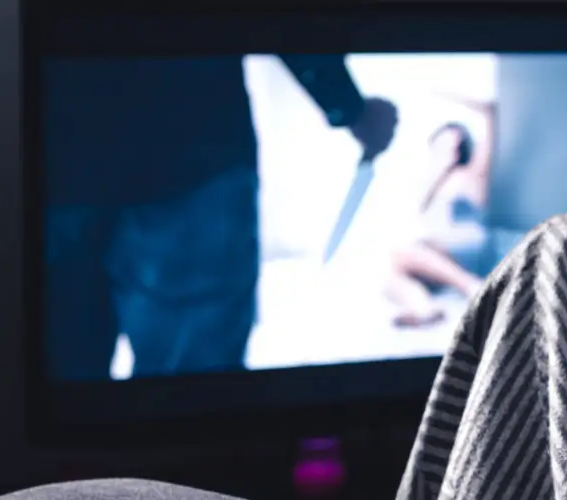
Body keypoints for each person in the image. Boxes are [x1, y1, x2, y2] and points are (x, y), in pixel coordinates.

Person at [44, 54, 398, 380]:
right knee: (189, 398)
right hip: (187, 150)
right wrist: (348, 107)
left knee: (63, 389)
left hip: (54, 158)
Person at [384, 93, 497, 327]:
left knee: (400, 253)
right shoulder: (431, 184)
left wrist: (458, 98)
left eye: (453, 142)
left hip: (469, 247)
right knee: (391, 276)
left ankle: (472, 287)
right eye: (442, 142)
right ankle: (425, 310)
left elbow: (491, 117)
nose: (447, 147)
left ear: (461, 149)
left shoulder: (470, 175)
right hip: (442, 252)